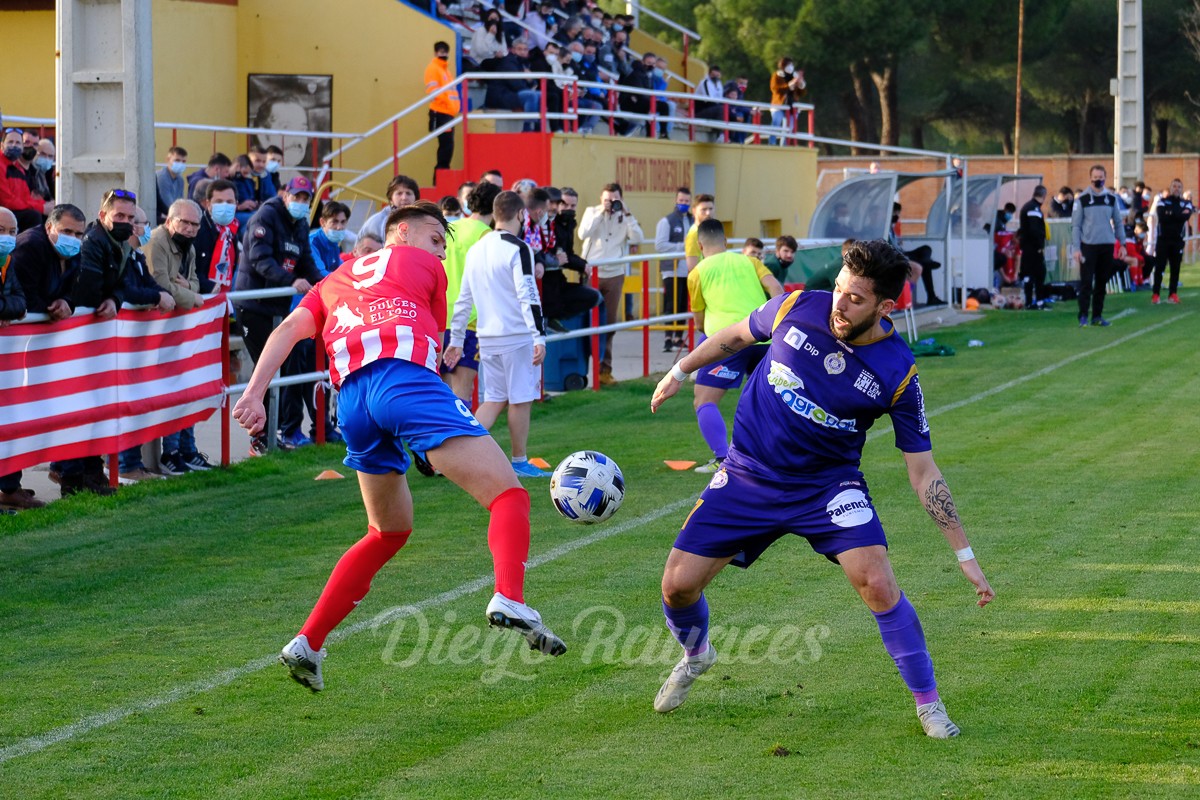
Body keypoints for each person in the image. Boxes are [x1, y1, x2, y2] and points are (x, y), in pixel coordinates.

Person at [648, 238, 995, 738]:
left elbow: (923, 472)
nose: (839, 304)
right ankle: (696, 653)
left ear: (885, 307)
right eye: (838, 289)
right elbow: (736, 335)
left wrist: (964, 555)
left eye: (855, 298)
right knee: (677, 586)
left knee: (878, 583)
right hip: (748, 474)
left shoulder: (898, 372)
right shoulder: (797, 305)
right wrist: (680, 371)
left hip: (827, 488)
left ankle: (930, 705)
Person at [232, 200, 566, 693]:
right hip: (403, 380)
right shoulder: (427, 266)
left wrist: (254, 392)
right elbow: (432, 344)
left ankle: (308, 641)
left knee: (386, 531)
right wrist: (425, 431)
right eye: (436, 238)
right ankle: (509, 596)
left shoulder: (332, 281)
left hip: (352, 402)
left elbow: (287, 331)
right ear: (402, 232)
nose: (441, 251)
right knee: (508, 494)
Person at [446, 190, 549, 479]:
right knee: (520, 399)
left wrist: (456, 340)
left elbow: (464, 299)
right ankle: (519, 461)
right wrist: (539, 336)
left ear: (494, 214)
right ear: (521, 214)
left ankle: (460, 454)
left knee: (493, 399)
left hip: (486, 336)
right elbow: (528, 294)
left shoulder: (478, 248)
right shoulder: (519, 248)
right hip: (516, 336)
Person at [684, 219, 784, 473]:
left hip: (726, 341)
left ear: (700, 246)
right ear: (726, 241)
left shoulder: (697, 273)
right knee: (771, 401)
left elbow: (698, 320)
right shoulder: (750, 261)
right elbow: (775, 287)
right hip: (763, 336)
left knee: (704, 400)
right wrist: (779, 320)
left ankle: (723, 459)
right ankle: (778, 457)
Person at [234, 175, 324, 454]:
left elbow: (306, 261)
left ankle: (283, 432)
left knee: (286, 368)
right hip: (253, 305)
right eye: (297, 196)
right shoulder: (265, 216)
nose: (301, 202)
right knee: (265, 370)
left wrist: (326, 286)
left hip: (277, 307)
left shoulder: (300, 223)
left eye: (306, 198)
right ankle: (259, 437)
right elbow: (260, 259)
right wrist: (291, 281)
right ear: (285, 195)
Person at [0, 205, 45, 511]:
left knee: (10, 421)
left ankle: (8, 487)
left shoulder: (8, 261)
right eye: (0, 230)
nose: (7, 237)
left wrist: (6, 308)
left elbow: (20, 302)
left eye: (12, 232)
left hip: (7, 362)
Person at [440, 180, 501, 403]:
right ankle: (462, 427)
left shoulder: (451, 228)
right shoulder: (486, 235)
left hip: (440, 315)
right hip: (468, 318)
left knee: (443, 389)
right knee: (463, 391)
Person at [577, 182, 644, 385]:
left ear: (621, 199)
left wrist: (627, 214)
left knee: (609, 323)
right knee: (586, 322)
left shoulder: (625, 216)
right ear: (601, 199)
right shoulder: (592, 212)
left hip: (614, 273)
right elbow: (583, 234)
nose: (610, 203)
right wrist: (601, 213)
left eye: (614, 199)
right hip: (592, 272)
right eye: (607, 199)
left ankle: (604, 370)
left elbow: (638, 238)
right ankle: (582, 369)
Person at [1071, 164, 1124, 327]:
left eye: (1101, 177)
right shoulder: (1082, 199)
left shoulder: (1111, 198)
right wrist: (1076, 248)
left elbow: (1118, 222)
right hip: (1089, 245)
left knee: (1101, 283)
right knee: (1086, 282)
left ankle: (1097, 316)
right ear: (1090, 178)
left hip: (1107, 245)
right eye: (1095, 177)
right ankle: (1083, 315)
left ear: (1105, 178)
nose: (1098, 180)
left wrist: (1122, 243)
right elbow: (1076, 225)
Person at [653, 187, 692, 352]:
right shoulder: (667, 221)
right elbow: (660, 245)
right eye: (681, 200)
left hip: (689, 269)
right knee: (671, 304)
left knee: (683, 304)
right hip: (671, 269)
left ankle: (678, 337)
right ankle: (668, 338)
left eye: (687, 201)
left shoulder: (693, 220)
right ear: (676, 200)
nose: (684, 204)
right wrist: (683, 247)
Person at [1145, 178, 1192, 305]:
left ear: (1182, 189)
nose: (1176, 189)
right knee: (1160, 267)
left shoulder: (1186, 203)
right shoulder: (1162, 201)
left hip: (1177, 241)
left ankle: (1173, 294)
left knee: (1175, 268)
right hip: (1163, 240)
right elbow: (1162, 216)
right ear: (1170, 188)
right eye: (1174, 186)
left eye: (1179, 187)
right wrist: (1177, 214)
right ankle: (1156, 294)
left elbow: (1185, 216)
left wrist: (1171, 213)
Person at [193, 179, 240, 292]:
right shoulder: (196, 230)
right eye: (219, 201)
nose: (225, 206)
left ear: (236, 204)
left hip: (225, 295)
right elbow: (188, 272)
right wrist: (209, 286)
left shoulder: (231, 230)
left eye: (229, 202)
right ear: (208, 204)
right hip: (202, 297)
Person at [1, 128, 49, 232]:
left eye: (18, 143)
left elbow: (25, 197)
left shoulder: (18, 169)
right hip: (5, 213)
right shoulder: (1, 165)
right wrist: (41, 207)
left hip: (11, 213)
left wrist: (44, 205)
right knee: (34, 216)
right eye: (10, 142)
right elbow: (6, 201)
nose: (14, 145)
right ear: (2, 145)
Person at [425, 41, 460, 180]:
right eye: (440, 51)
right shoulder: (433, 68)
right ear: (435, 53)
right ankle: (440, 177)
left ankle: (443, 175)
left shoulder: (445, 70)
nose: (443, 54)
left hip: (448, 113)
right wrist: (446, 104)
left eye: (445, 52)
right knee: (446, 146)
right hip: (441, 112)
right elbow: (433, 91)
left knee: (448, 146)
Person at [358, 175, 419, 244]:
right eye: (399, 193)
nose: (404, 197)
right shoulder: (376, 222)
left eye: (408, 193)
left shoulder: (423, 221)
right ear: (391, 199)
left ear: (415, 198)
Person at [1017, 185, 1049, 310]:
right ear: (1044, 195)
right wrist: (1039, 246)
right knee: (1039, 274)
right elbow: (1034, 230)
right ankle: (1036, 302)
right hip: (1033, 248)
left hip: (1027, 247)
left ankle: (1030, 302)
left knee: (1029, 275)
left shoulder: (1028, 206)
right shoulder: (1033, 209)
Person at [768, 58, 805, 145]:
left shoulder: (795, 76)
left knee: (790, 128)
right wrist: (789, 84)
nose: (791, 67)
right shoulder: (776, 75)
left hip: (792, 106)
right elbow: (775, 89)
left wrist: (800, 84)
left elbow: (800, 93)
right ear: (783, 66)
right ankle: (772, 143)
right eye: (788, 65)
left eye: (791, 65)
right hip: (779, 105)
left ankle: (785, 145)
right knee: (776, 123)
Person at [682, 194, 715, 272]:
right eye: (704, 209)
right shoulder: (694, 234)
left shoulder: (710, 231)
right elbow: (692, 268)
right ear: (694, 211)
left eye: (711, 209)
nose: (708, 213)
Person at [156, 146, 188, 224]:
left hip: (174, 216)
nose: (180, 164)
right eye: (177, 160)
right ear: (168, 159)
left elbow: (181, 202)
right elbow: (167, 204)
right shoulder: (161, 177)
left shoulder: (180, 180)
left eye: (183, 161)